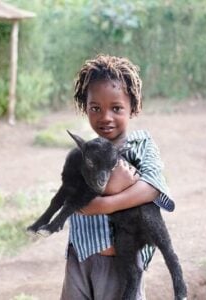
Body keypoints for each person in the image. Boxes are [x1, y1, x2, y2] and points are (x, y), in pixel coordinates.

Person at [60, 54, 175, 300]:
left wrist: (105, 202)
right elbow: (74, 200)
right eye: (95, 108)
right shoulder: (84, 152)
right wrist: (119, 186)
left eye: (116, 108)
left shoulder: (142, 145)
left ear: (133, 106)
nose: (105, 117)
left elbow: (153, 187)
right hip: (79, 259)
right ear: (84, 106)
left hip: (122, 266)